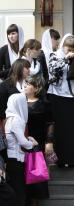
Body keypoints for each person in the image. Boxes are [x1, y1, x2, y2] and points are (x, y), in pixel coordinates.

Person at [5, 92, 39, 206]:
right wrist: (32, 142)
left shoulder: (8, 119)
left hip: (10, 159)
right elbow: (23, 141)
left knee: (15, 192)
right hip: (17, 160)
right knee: (20, 194)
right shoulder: (17, 120)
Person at [23, 76, 52, 206]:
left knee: (35, 171)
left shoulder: (44, 104)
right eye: (25, 83)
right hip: (21, 141)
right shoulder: (19, 101)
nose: (25, 85)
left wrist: (49, 141)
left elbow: (50, 123)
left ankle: (34, 202)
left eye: (29, 84)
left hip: (38, 141)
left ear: (36, 88)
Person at [48, 34, 74, 167]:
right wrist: (65, 58)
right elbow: (52, 69)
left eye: (71, 49)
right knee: (61, 128)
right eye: (67, 48)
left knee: (71, 129)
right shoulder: (55, 55)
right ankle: (61, 159)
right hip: (58, 96)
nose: (69, 51)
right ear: (63, 46)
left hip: (71, 96)